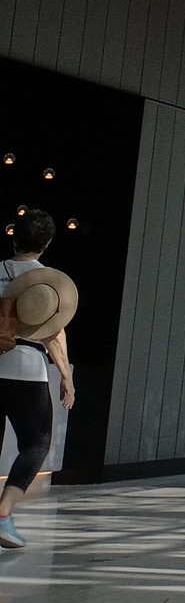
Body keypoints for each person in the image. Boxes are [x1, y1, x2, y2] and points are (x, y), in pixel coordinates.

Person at [0, 212, 76, 548]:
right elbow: (54, 335)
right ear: (45, 243)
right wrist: (66, 375)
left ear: (14, 237)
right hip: (24, 368)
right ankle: (3, 514)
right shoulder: (45, 282)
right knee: (36, 442)